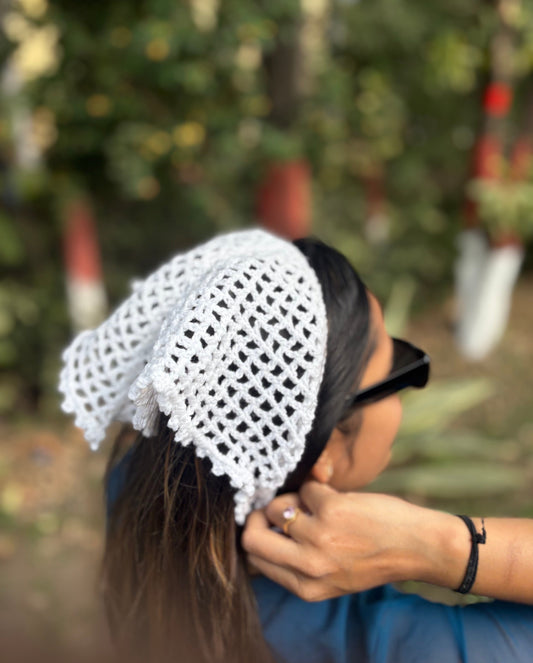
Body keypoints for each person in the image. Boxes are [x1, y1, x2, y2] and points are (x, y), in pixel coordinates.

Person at [59, 228, 533, 663]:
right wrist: (439, 547)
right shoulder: (400, 646)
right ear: (323, 449)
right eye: (396, 373)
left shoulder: (141, 482)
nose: (409, 381)